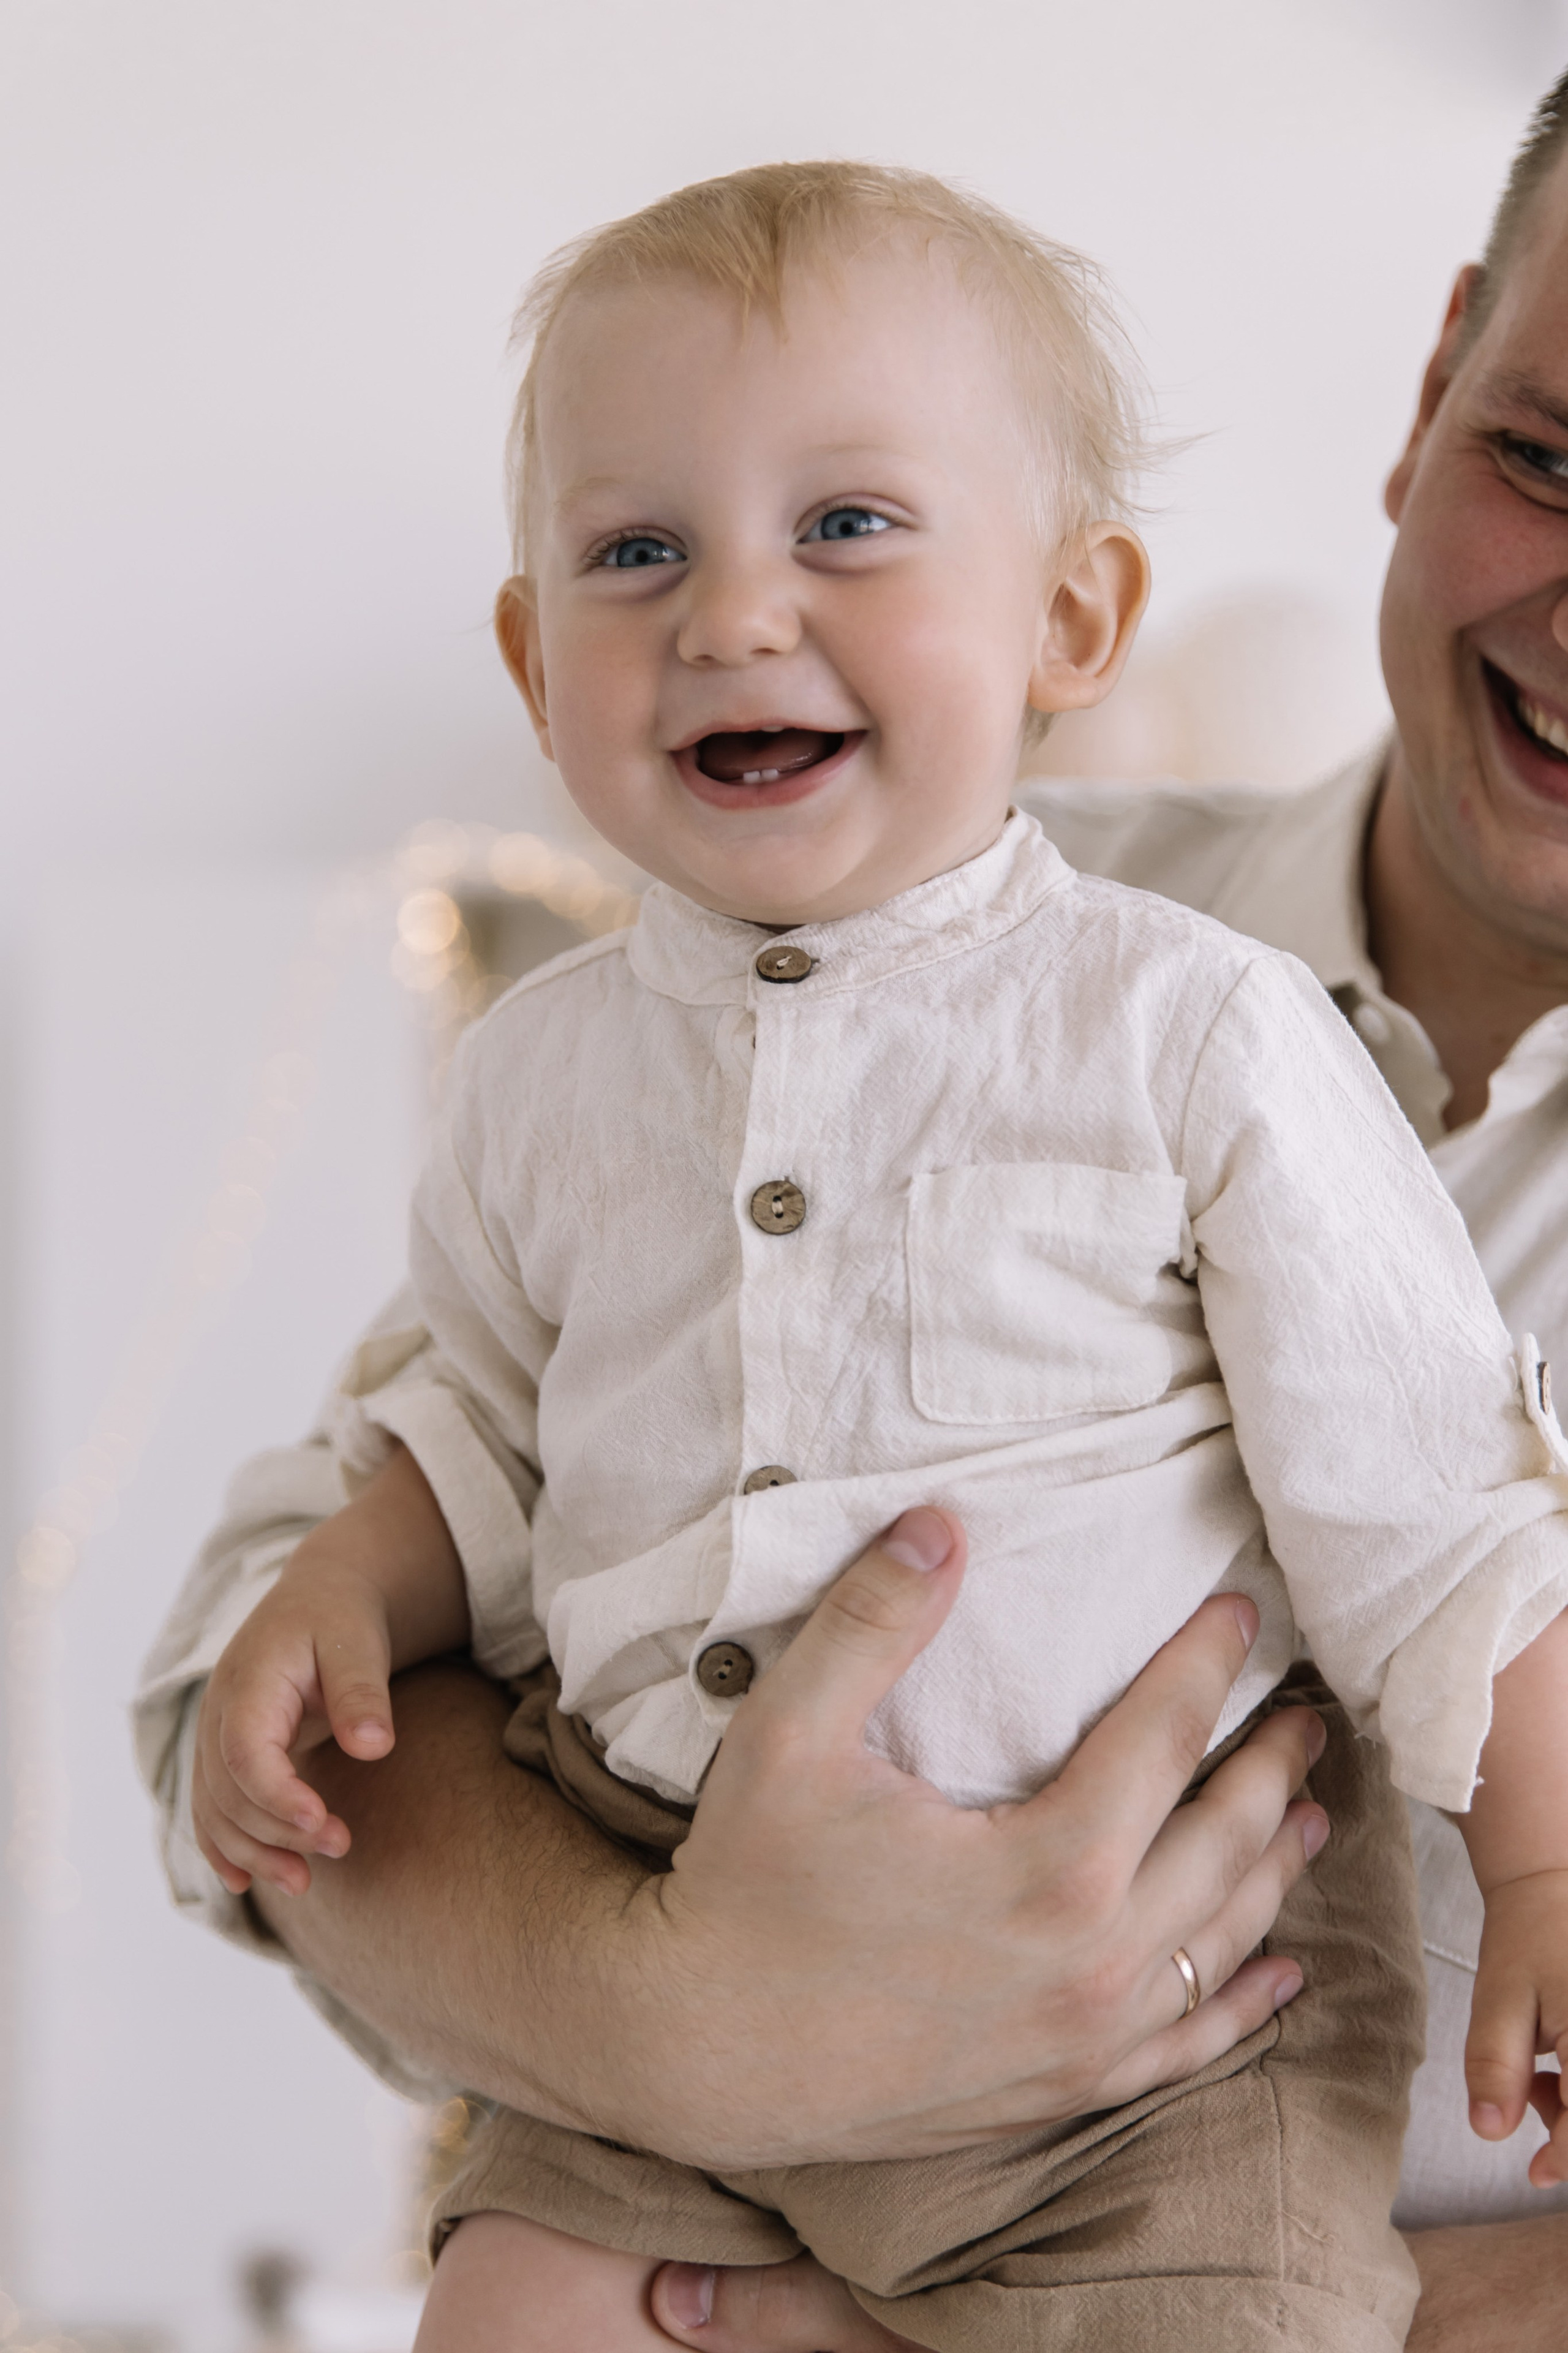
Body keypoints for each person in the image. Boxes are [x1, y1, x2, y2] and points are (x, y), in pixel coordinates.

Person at [167, 158, 1568, 2351]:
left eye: (844, 529)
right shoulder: (556, 1067)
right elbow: (436, 1468)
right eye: (639, 553)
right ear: (539, 663)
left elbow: (1433, 1515)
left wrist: (1545, 1863)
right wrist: (662, 1993)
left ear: (1073, 622)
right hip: (657, 1959)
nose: (732, 617)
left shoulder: (1181, 1022)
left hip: (1173, 2112)